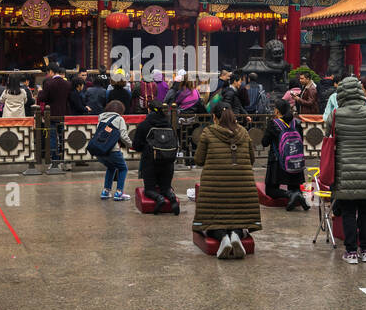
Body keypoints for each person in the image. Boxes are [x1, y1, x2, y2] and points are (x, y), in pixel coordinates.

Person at [324, 76, 366, 264]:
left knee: (349, 211)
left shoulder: (336, 114)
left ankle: (350, 252)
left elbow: (328, 136)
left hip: (345, 167)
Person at [193, 104, 260, 259]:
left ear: (215, 118)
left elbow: (199, 160)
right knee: (238, 219)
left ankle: (223, 238)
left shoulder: (208, 132)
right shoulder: (244, 132)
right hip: (243, 189)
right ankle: (236, 235)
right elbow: (252, 159)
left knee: (211, 222)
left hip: (214, 189)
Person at [132, 100, 180, 213]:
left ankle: (159, 199)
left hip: (150, 163)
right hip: (168, 162)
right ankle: (172, 198)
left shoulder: (144, 125)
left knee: (149, 189)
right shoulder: (168, 125)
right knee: (166, 188)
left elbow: (136, 146)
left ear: (149, 110)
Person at [263, 98, 308, 210]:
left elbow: (264, 143)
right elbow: (301, 140)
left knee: (270, 190)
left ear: (277, 111)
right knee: (295, 186)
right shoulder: (296, 123)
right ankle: (298, 195)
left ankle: (290, 195)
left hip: (278, 163)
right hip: (296, 161)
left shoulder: (274, 124)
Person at [90, 99, 129, 201]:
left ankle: (106, 191)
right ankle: (119, 192)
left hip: (100, 150)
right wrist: (132, 145)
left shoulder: (101, 119)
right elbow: (124, 136)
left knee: (111, 167)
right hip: (113, 150)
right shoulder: (119, 119)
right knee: (123, 168)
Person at [37, 65, 72, 173]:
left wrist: (40, 91)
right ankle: (65, 161)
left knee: (52, 138)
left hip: (51, 115)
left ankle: (55, 162)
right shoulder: (67, 83)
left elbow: (42, 98)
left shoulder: (49, 83)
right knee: (64, 138)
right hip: (64, 114)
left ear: (51, 71)